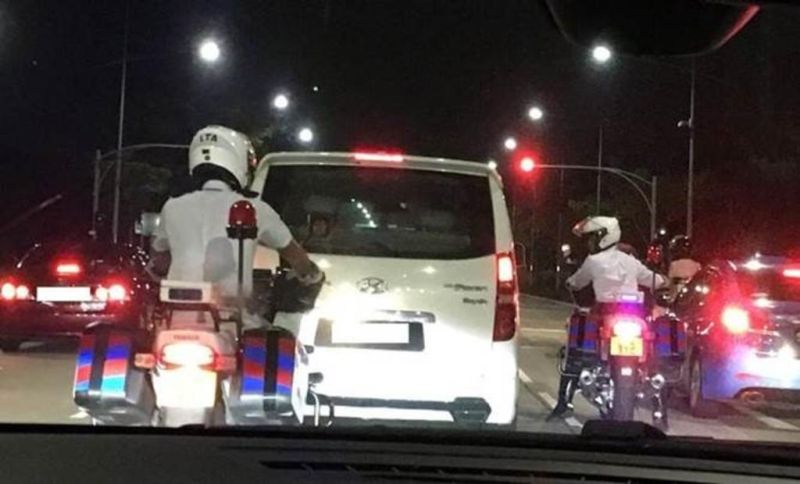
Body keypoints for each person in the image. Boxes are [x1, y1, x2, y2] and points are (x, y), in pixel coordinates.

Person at [150, 125, 323, 328]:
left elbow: (158, 257)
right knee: (279, 344)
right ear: (239, 161)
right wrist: (311, 274)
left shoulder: (172, 206)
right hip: (234, 322)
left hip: (177, 319)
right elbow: (295, 255)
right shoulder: (256, 208)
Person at [548, 216, 666, 419]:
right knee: (652, 353)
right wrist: (665, 281)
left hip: (605, 315)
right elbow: (654, 280)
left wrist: (569, 282)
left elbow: (577, 282)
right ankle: (660, 408)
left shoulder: (593, 261)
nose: (590, 242)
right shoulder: (630, 261)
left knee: (575, 349)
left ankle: (563, 401)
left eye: (592, 238)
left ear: (603, 237)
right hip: (634, 317)